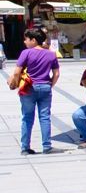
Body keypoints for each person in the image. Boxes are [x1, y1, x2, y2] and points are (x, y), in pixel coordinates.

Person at [13, 26, 61, 155]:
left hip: (29, 88)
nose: (25, 42)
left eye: (26, 39)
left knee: (27, 117)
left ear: (33, 40)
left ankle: (25, 147)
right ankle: (47, 146)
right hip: (45, 86)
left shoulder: (26, 53)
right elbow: (56, 74)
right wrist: (50, 85)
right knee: (44, 117)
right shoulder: (51, 54)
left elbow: (17, 72)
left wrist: (16, 84)